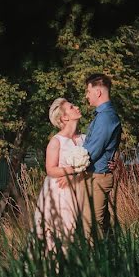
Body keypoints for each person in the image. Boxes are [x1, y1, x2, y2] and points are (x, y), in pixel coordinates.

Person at [57, 73, 121, 242]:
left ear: (98, 92)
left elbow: (92, 151)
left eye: (88, 91)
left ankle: (97, 265)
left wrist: (70, 173)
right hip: (94, 176)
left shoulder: (106, 117)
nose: (86, 95)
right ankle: (114, 261)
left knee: (92, 226)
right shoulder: (102, 116)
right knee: (100, 225)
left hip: (98, 177)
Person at [33, 97, 89, 252]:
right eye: (72, 107)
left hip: (82, 188)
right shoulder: (56, 141)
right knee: (64, 230)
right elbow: (50, 169)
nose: (77, 107)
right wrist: (72, 170)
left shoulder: (85, 139)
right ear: (64, 117)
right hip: (61, 192)